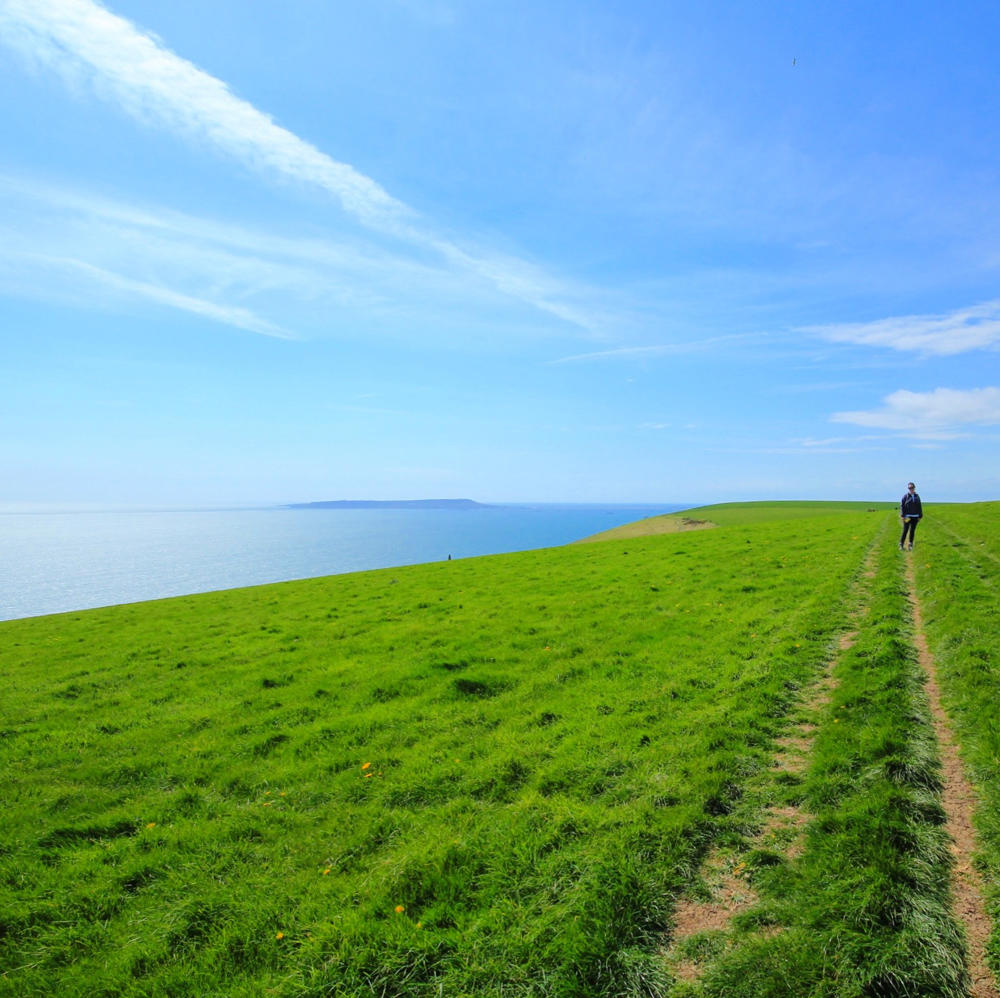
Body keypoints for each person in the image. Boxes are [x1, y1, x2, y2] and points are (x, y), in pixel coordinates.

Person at [899, 482, 922, 550]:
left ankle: (910, 544)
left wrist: (920, 516)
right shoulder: (905, 496)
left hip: (915, 516)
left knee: (912, 530)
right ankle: (901, 544)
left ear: (914, 488)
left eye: (912, 488)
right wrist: (903, 515)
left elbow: (919, 506)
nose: (911, 489)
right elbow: (902, 506)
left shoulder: (917, 496)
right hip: (907, 516)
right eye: (909, 488)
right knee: (905, 530)